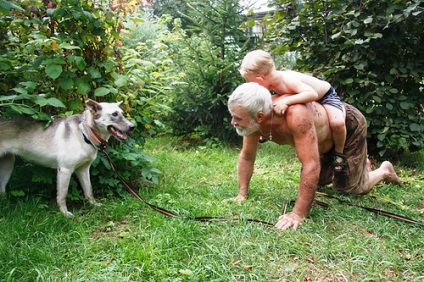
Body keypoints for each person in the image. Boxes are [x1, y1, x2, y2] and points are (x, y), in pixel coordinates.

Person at [225, 82, 401, 231]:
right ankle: (360, 165)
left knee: (350, 189)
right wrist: (242, 194)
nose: (233, 122)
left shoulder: (295, 115)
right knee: (322, 183)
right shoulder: (254, 121)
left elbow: (310, 164)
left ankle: (383, 170)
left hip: (346, 126)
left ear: (260, 116)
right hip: (321, 143)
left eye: (237, 118)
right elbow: (247, 157)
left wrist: (298, 213)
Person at [239, 49, 347, 171]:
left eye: (250, 81)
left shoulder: (287, 80)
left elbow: (312, 94)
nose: (251, 85)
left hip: (325, 96)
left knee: (337, 123)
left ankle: (339, 153)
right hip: (306, 98)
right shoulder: (269, 84)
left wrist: (286, 101)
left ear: (260, 78)